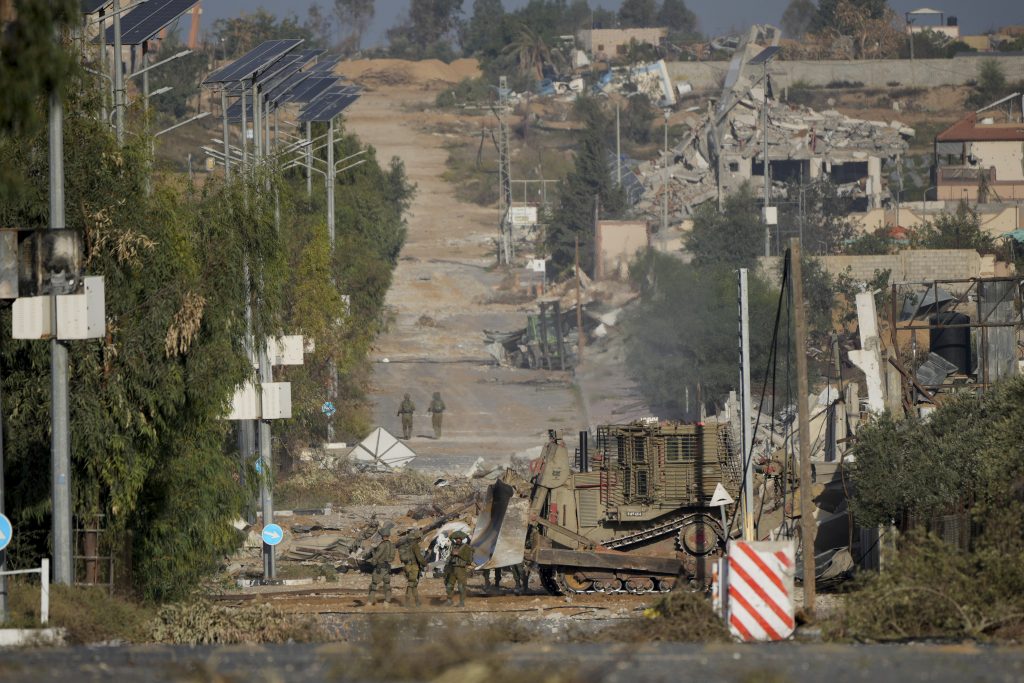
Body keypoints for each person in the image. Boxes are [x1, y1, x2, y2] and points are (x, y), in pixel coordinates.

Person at [397, 527, 426, 607]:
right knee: (411, 584)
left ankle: (417, 601)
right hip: (414, 567)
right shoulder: (415, 545)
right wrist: (426, 564)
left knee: (413, 584)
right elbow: (419, 558)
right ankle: (407, 603)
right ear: (418, 538)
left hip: (407, 566)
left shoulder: (408, 545)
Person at [444, 530, 473, 607]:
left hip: (461, 569)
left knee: (461, 586)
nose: (458, 540)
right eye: (456, 538)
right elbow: (450, 538)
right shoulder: (453, 546)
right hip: (452, 568)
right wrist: (454, 534)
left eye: (459, 538)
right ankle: (449, 600)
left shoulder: (466, 547)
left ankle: (462, 602)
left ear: (462, 539)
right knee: (449, 585)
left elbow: (469, 560)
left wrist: (465, 536)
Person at [367, 527, 395, 606]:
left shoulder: (382, 545)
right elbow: (392, 557)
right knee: (387, 585)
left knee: (373, 585)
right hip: (387, 568)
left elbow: (376, 556)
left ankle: (370, 601)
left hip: (379, 568)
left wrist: (373, 553)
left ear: (382, 535)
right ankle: (387, 602)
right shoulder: (392, 545)